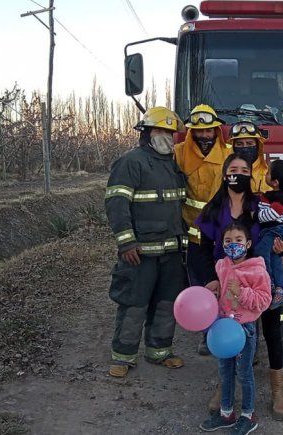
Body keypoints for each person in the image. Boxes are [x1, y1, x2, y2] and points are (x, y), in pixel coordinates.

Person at [196, 154, 283, 420]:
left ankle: (277, 390)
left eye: (244, 169)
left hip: (262, 278)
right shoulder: (213, 209)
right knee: (228, 330)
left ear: (251, 174)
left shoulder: (261, 203)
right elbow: (200, 250)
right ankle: (222, 388)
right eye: (233, 169)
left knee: (272, 329)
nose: (238, 173)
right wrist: (210, 279)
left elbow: (281, 233)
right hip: (227, 281)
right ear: (225, 173)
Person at [105, 106, 188, 378]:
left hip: (173, 250)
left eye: (170, 132)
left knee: (167, 303)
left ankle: (159, 351)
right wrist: (126, 242)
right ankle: (123, 356)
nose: (166, 136)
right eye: (160, 130)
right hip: (140, 253)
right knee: (134, 303)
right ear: (146, 132)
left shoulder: (174, 164)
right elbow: (117, 203)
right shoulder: (132, 162)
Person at [227, 122, 283, 389]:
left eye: (250, 143)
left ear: (259, 145)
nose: (244, 148)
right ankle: (249, 357)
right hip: (239, 256)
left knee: (277, 313)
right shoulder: (231, 170)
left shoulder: (270, 172)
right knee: (245, 307)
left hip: (270, 251)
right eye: (239, 143)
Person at [199, 223, 272, 434]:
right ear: (222, 244)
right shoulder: (221, 266)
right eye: (228, 241)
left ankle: (249, 415)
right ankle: (226, 413)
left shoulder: (257, 270)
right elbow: (221, 293)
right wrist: (214, 293)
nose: (233, 245)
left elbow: (264, 301)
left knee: (244, 374)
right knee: (225, 372)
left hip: (244, 330)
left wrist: (241, 292)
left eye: (238, 240)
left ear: (248, 244)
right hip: (223, 329)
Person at [174, 104, 231, 356]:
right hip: (194, 236)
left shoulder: (230, 154)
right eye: (199, 131)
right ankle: (207, 333)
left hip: (224, 236)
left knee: (227, 283)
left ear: (217, 130)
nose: (205, 136)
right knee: (200, 285)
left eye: (209, 131)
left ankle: (230, 330)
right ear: (191, 132)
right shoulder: (178, 154)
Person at [255, 160, 283, 309]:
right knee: (276, 261)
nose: (265, 175)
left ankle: (269, 282)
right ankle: (280, 290)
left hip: (275, 230)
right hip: (276, 230)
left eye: (268, 173)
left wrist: (255, 215)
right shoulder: (279, 194)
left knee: (260, 252)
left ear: (275, 182)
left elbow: (270, 214)